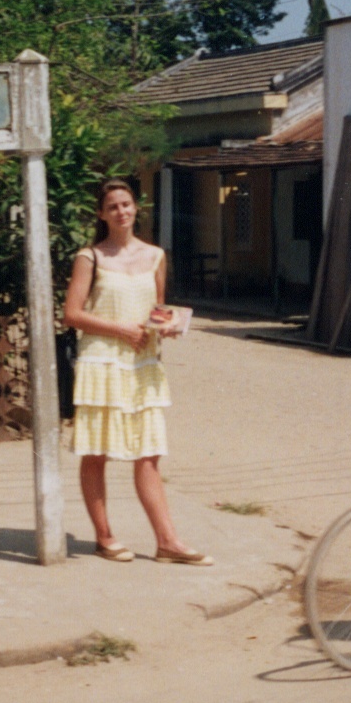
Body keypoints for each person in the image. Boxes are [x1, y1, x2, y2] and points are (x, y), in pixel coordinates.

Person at [61, 180, 211, 566]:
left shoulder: (156, 255)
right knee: (96, 454)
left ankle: (168, 542)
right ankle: (105, 537)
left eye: (126, 205)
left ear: (135, 209)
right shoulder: (89, 257)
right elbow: (72, 314)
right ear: (101, 214)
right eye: (112, 207)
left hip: (142, 364)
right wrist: (120, 329)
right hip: (101, 362)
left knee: (149, 454)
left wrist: (169, 325)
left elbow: (156, 308)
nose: (121, 212)